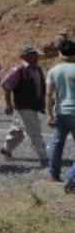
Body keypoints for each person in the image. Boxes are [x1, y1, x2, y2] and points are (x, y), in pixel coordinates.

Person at [0, 45, 49, 166]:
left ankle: (6, 149)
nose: (37, 57)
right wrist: (8, 104)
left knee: (18, 130)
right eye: (33, 55)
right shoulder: (19, 70)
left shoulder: (37, 69)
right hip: (24, 105)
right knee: (34, 131)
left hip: (33, 104)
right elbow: (6, 86)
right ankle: (44, 156)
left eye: (36, 55)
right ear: (25, 56)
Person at [46, 37, 75, 190]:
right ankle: (72, 177)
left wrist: (49, 114)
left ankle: (53, 174)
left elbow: (49, 95)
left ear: (60, 53)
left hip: (62, 112)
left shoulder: (54, 71)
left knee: (57, 144)